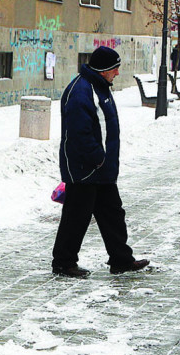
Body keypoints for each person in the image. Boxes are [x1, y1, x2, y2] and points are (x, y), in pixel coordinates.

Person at [52, 46, 149, 279]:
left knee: (113, 213)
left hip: (101, 167)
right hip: (86, 168)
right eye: (115, 68)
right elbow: (80, 134)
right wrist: (98, 159)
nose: (117, 73)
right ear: (104, 69)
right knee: (77, 216)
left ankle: (121, 260)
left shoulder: (99, 86)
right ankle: (64, 263)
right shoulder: (81, 91)